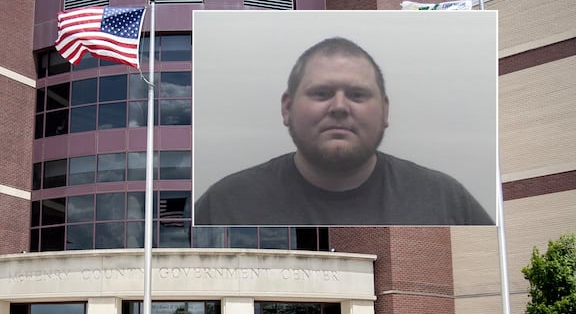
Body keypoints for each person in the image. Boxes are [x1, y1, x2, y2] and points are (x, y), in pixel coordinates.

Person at [194, 37, 494, 226]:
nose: (339, 107)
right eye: (322, 93)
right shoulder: (224, 204)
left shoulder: (445, 200)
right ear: (287, 108)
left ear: (385, 111)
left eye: (357, 95)